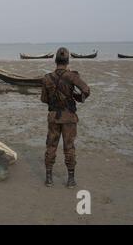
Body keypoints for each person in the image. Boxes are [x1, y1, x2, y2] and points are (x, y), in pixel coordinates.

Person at [41, 47, 90, 188]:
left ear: (55, 60)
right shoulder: (72, 76)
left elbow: (43, 99)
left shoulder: (47, 78)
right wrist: (77, 97)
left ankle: (49, 179)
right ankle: (71, 180)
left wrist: (54, 99)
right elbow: (86, 90)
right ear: (67, 61)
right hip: (69, 117)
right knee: (69, 147)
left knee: (51, 146)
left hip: (53, 117)